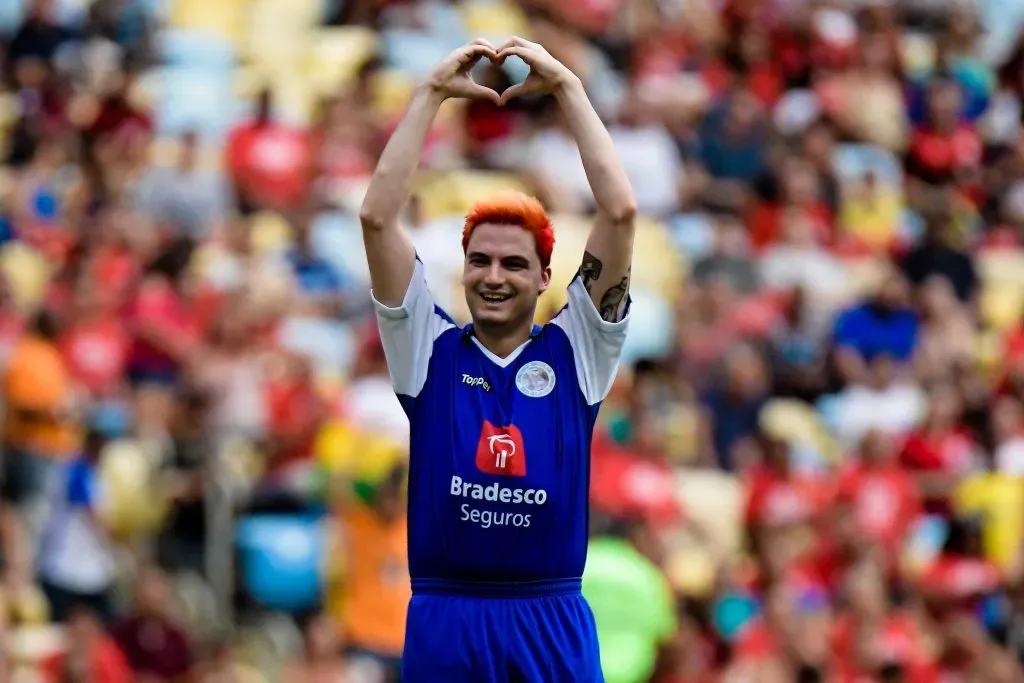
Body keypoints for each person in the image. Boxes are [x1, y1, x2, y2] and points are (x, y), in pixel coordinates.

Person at [359, 36, 636, 682]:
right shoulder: (427, 348)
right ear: (461, 271)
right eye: (480, 259)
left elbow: (620, 211)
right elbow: (376, 218)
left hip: (550, 615)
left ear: (544, 278)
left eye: (514, 263)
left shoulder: (580, 352)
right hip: (446, 616)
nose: (493, 274)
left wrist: (567, 88)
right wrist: (429, 95)